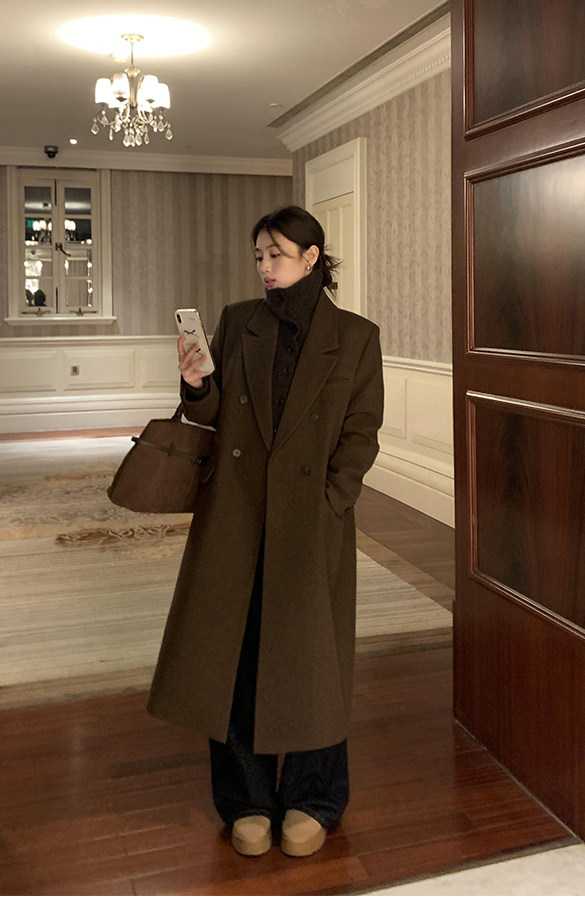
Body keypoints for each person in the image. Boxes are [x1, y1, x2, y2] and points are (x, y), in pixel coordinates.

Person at [146, 205, 384, 858]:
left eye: (276, 253)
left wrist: (332, 501)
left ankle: (315, 796)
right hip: (239, 511)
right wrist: (196, 384)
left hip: (310, 520)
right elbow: (214, 414)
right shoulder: (238, 321)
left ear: (312, 257)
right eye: (259, 255)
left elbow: (362, 430)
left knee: (313, 657)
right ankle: (246, 798)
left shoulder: (357, 337)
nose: (265, 266)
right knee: (236, 650)